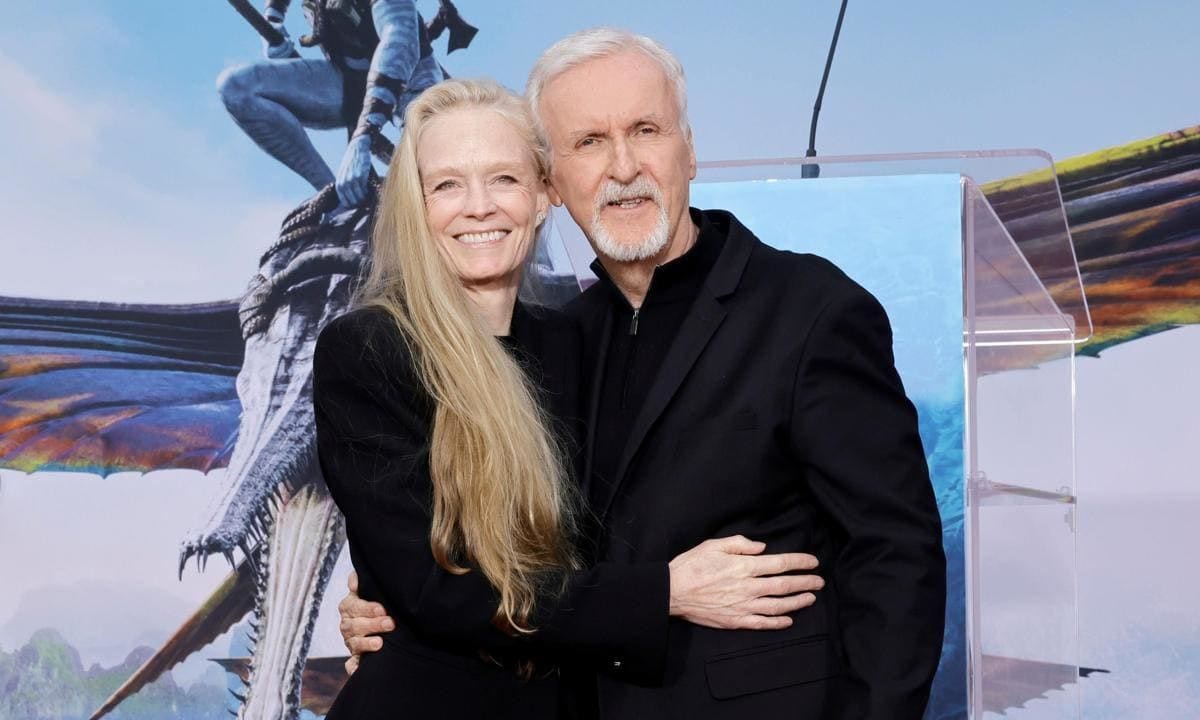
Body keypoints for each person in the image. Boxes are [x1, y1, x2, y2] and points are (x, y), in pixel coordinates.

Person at [339, 28, 948, 719]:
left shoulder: (809, 309)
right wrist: (392, 605)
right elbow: (497, 556)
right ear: (555, 184)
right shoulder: (558, 340)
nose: (623, 165)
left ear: (688, 151)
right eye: (590, 142)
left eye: (646, 129)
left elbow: (895, 556)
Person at [218, 0, 453, 207]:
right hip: (347, 81)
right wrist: (273, 23)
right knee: (237, 87)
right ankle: (335, 198)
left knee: (433, 160)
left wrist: (363, 137)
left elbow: (399, 42)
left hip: (410, 80)